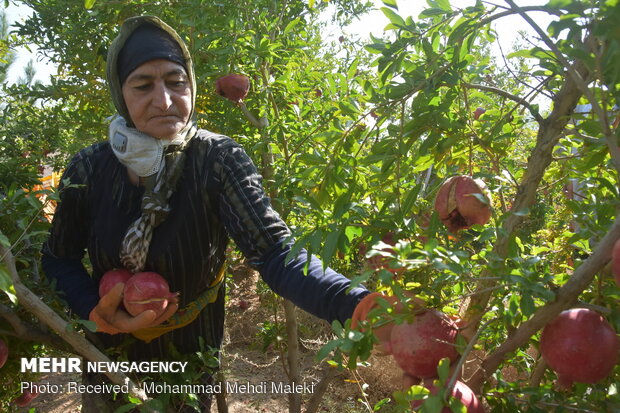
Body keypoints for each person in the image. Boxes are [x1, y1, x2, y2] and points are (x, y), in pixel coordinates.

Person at [41, 15, 388, 412]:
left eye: (176, 82)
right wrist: (94, 310)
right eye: (142, 85)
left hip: (190, 366)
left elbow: (275, 252)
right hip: (107, 364)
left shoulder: (217, 160)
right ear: (120, 94)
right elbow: (58, 258)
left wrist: (354, 303)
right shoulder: (88, 168)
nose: (165, 100)